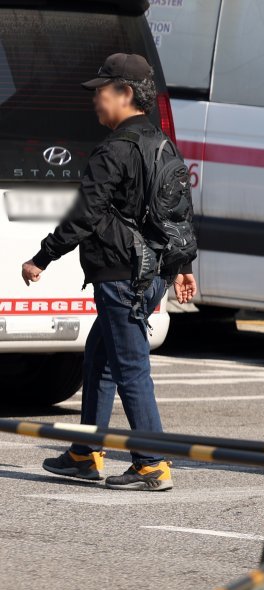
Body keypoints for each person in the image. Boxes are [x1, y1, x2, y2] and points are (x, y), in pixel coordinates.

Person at [21, 53, 197, 491]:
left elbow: (85, 214)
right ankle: (85, 452)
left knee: (131, 367)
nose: (95, 100)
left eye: (101, 91)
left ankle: (151, 463)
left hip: (120, 274)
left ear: (124, 93)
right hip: (151, 273)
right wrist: (182, 266)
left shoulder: (113, 150)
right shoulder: (164, 144)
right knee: (99, 358)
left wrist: (42, 258)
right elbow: (179, 212)